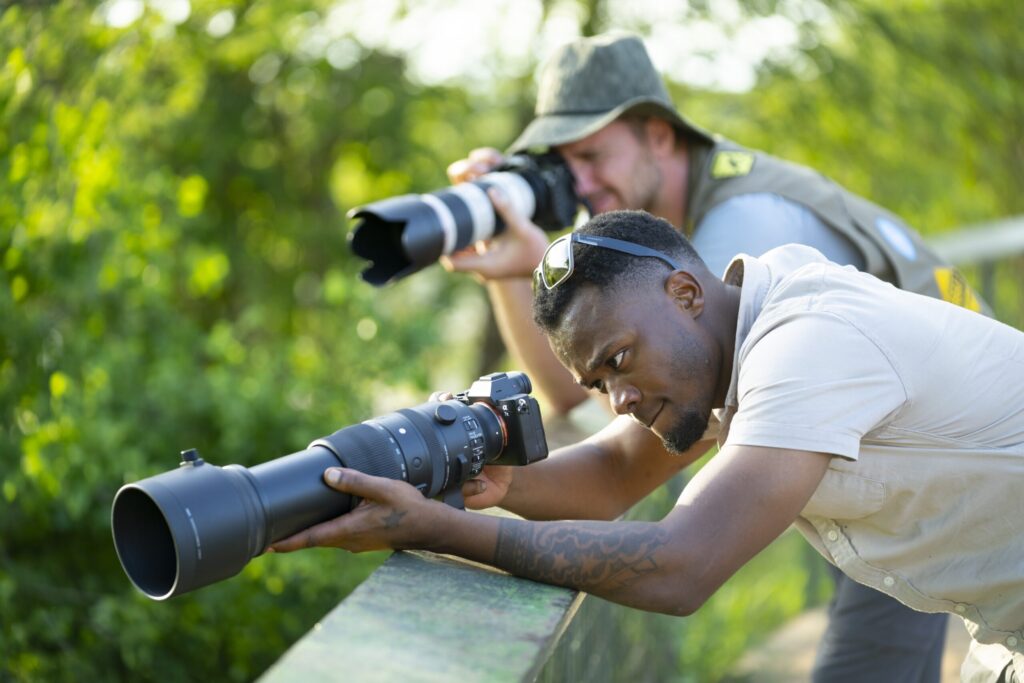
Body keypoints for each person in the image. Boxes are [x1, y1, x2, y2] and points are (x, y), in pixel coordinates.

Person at [440, 32, 988, 681]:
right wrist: (511, 270)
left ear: (659, 135)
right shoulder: (666, 263)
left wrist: (439, 523)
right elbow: (573, 397)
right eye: (563, 166)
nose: (581, 184)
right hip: (888, 471)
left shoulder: (744, 234)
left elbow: (632, 483)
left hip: (943, 475)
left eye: (591, 154)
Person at [270, 211, 1024, 683]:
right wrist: (494, 480)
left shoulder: (808, 342)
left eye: (621, 360)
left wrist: (443, 529)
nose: (619, 400)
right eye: (597, 383)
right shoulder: (729, 341)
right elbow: (611, 472)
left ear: (686, 294)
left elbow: (681, 564)